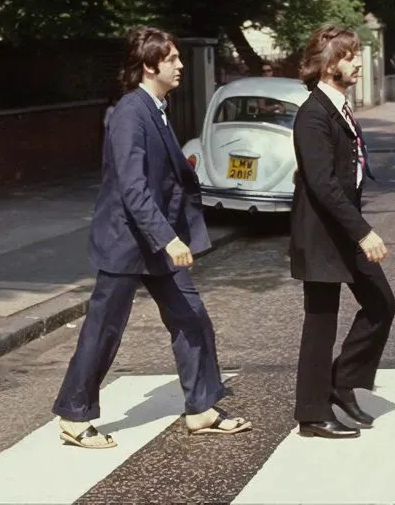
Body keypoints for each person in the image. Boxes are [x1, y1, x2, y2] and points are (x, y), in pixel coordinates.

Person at [51, 26, 251, 448]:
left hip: (153, 241)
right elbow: (132, 186)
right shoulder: (130, 112)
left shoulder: (157, 107)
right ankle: (73, 415)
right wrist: (169, 238)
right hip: (127, 240)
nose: (181, 66)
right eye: (174, 59)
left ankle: (201, 407)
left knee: (191, 316)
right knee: (104, 328)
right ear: (149, 65)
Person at [289, 26, 395, 439]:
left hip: (342, 231)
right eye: (350, 56)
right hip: (321, 235)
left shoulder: (338, 108)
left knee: (382, 303)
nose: (357, 63)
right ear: (330, 63)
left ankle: (342, 381)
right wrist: (364, 232)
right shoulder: (313, 114)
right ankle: (312, 414)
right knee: (320, 323)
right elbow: (323, 184)